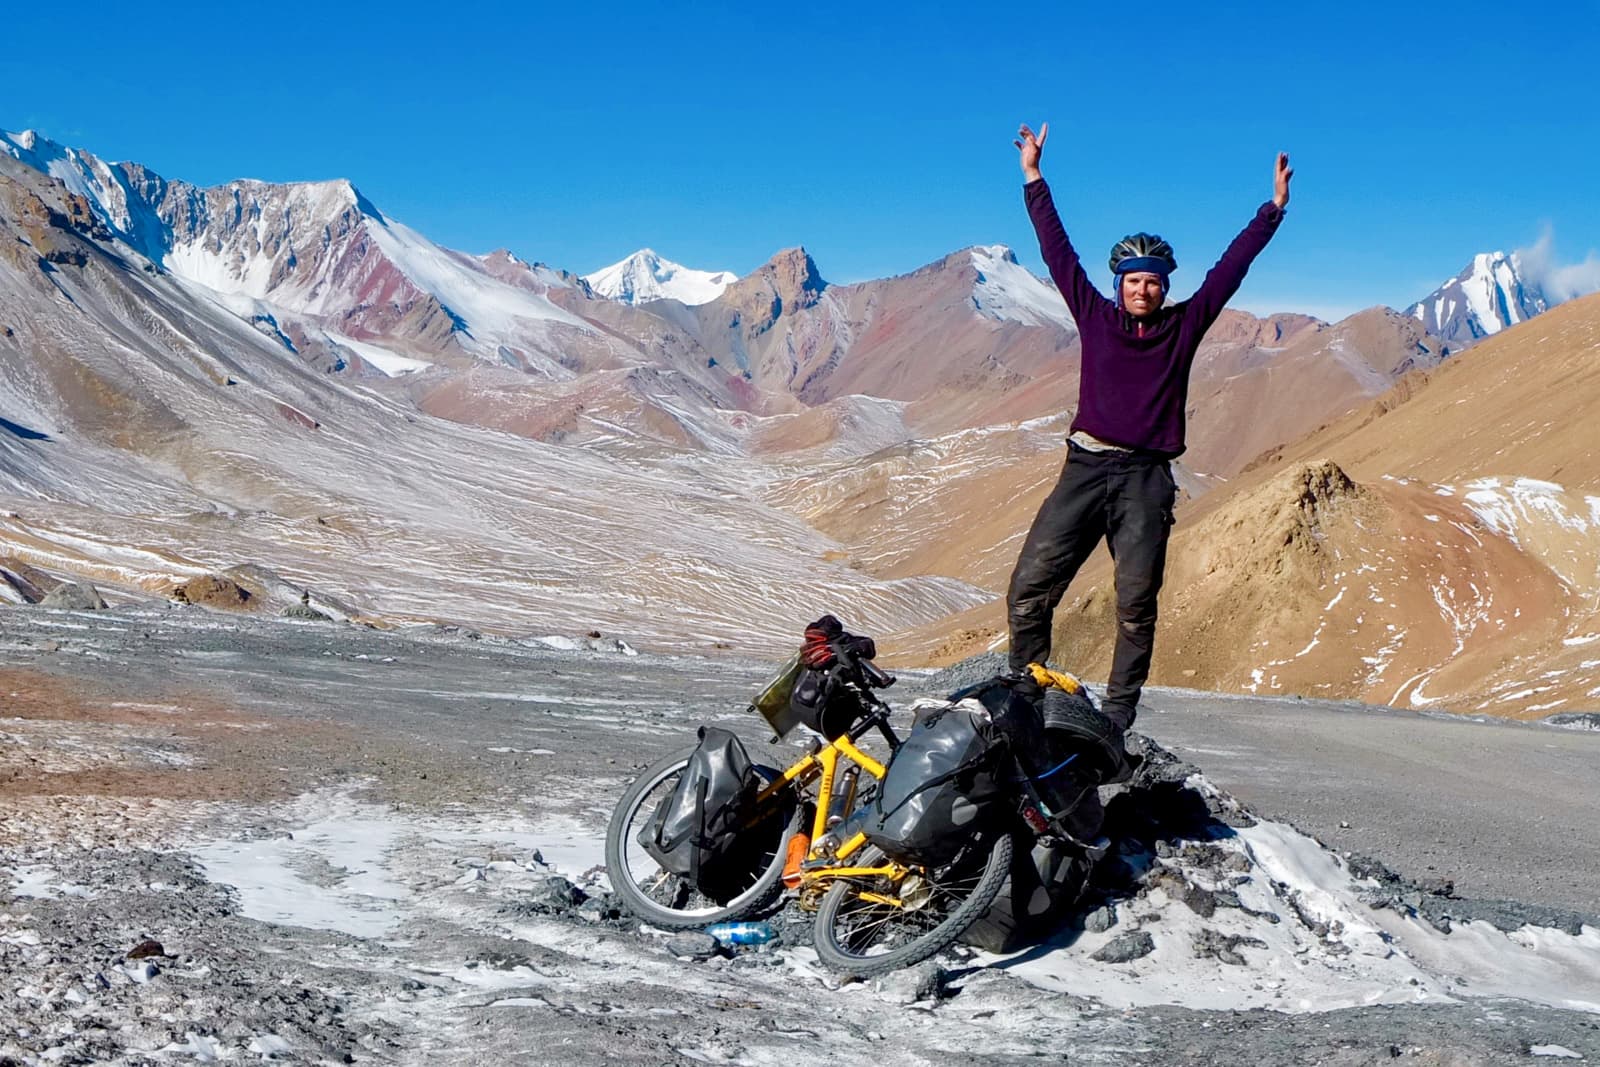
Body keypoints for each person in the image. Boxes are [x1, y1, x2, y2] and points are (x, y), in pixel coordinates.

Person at [1006, 121, 1292, 750]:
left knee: (1136, 604)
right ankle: (1023, 697)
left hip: (1145, 480)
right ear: (1120, 285)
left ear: (1165, 286)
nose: (1143, 288)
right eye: (1134, 279)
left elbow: (1229, 271)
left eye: (1154, 280)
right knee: (1029, 589)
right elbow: (1058, 252)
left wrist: (1271, 212)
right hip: (1085, 468)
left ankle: (1115, 721)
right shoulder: (1095, 316)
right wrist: (1033, 176)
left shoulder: (1183, 328)